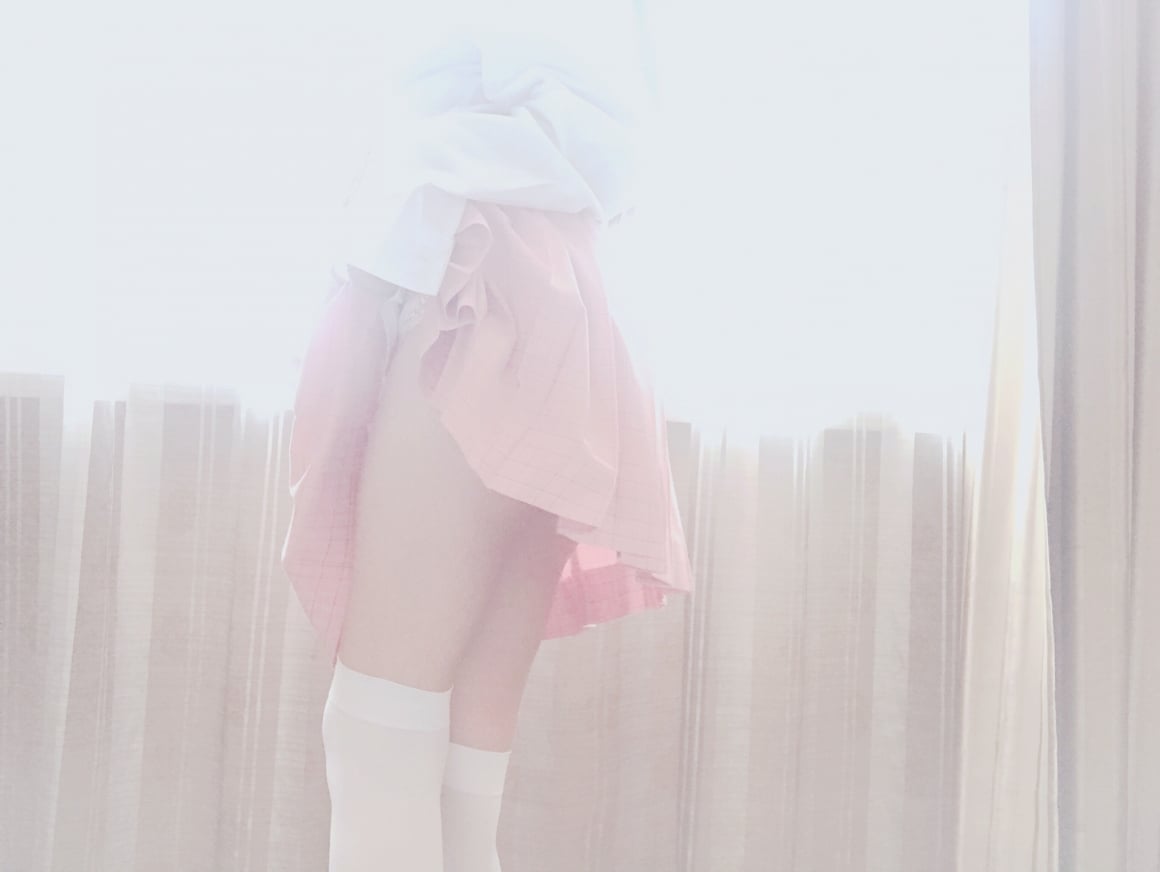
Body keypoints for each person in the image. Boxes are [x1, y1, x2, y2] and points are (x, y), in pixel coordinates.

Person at [280, 3, 694, 869]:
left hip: (484, 287)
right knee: (462, 752)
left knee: (378, 731)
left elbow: (476, 142)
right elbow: (610, 138)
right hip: (565, 302)